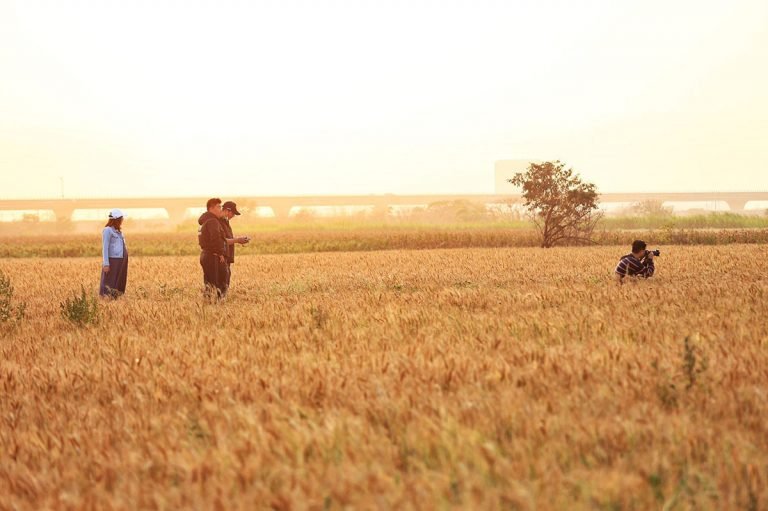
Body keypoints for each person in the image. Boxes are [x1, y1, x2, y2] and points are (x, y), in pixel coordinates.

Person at [198, 198, 228, 299]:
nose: (221, 209)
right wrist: (220, 253)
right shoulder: (212, 221)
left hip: (205, 254)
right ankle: (216, 305)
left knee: (209, 283)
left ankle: (208, 304)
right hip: (212, 255)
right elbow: (215, 239)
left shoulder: (205, 221)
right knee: (218, 282)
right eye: (218, 207)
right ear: (211, 208)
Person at [219, 201, 250, 296]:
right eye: (233, 213)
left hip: (226, 257)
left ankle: (221, 301)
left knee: (226, 281)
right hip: (222, 257)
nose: (233, 216)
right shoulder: (219, 222)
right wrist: (237, 240)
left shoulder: (225, 222)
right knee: (222, 282)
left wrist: (239, 240)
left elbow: (227, 238)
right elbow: (222, 241)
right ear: (227, 210)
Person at [100, 208, 128, 298]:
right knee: (109, 280)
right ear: (117, 219)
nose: (122, 220)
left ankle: (116, 297)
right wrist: (106, 263)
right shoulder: (108, 230)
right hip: (113, 259)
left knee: (119, 280)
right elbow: (105, 247)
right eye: (121, 219)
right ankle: (106, 298)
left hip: (121, 259)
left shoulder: (119, 231)